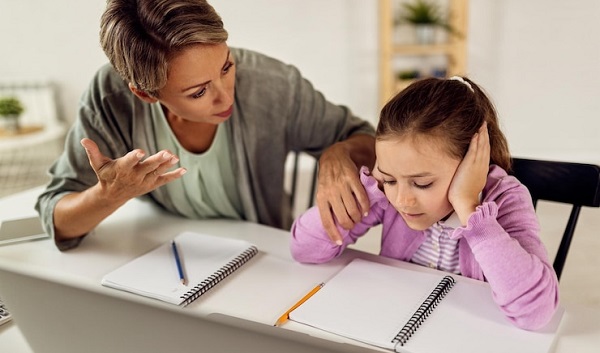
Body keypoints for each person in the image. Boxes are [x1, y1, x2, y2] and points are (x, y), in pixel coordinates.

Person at [36, 0, 376, 251]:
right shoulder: (110, 99)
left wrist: (339, 151)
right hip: (168, 252)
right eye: (198, 91)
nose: (225, 97)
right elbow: (58, 220)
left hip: (264, 255)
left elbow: (370, 141)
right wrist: (109, 195)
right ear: (145, 93)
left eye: (227, 67)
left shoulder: (274, 84)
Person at [290, 76, 559, 330]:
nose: (402, 200)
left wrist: (469, 209)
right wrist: (373, 189)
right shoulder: (385, 194)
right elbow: (304, 248)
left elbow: (536, 311)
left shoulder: (505, 198)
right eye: (391, 178)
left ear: (470, 163)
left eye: (422, 183)